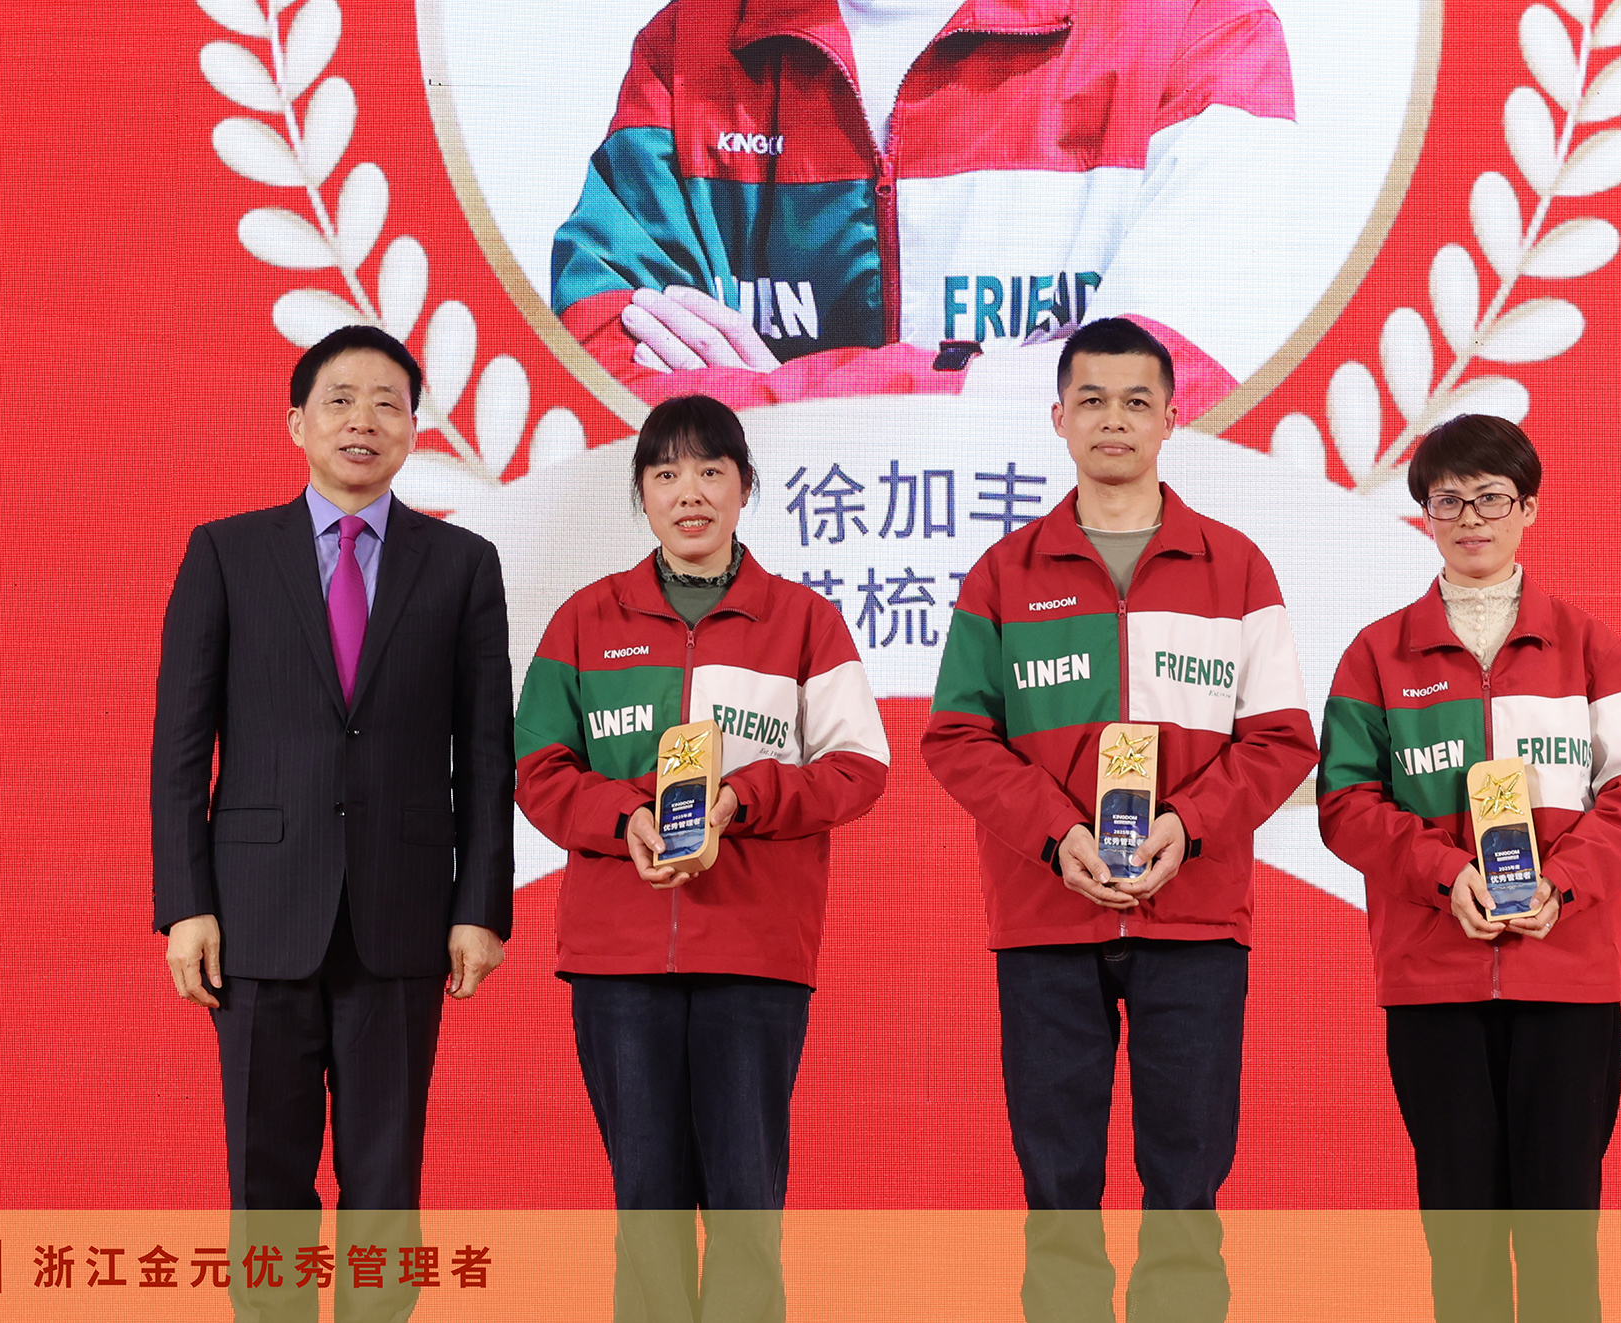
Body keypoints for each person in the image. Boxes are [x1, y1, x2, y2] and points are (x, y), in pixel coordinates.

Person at [921, 317, 1317, 1319]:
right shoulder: (1005, 574)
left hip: (1196, 921)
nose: (1113, 420)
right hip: (1045, 919)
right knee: (1056, 1188)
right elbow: (958, 737)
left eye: (1136, 401)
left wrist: (1189, 825)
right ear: (1057, 418)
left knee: (1186, 1188)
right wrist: (1057, 835)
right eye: (1091, 400)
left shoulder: (1236, 568)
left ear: (1172, 418)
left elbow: (1280, 739)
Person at [151, 325, 513, 1318]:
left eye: (388, 403)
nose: (364, 420)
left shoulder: (462, 565)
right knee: (265, 1179)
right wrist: (186, 904)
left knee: (386, 1186)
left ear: (414, 429)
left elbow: (486, 753)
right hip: (257, 916)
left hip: (403, 915)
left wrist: (480, 905)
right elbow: (181, 744)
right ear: (297, 423)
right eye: (341, 399)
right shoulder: (226, 554)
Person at [513, 393, 890, 1320]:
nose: (691, 492)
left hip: (754, 954)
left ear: (746, 487)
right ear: (640, 492)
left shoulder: (803, 620)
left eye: (712, 471)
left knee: (746, 1202)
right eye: (667, 472)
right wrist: (624, 819)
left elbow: (858, 765)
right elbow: (537, 767)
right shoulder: (585, 621)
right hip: (619, 959)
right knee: (645, 1204)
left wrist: (744, 797)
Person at [1315, 414, 1621, 1322]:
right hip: (1433, 981)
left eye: (1490, 498)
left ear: (1529, 509)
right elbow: (1345, 803)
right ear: (1423, 515)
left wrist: (1563, 883)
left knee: (1560, 1233)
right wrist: (1447, 877)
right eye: (1448, 501)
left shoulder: (1590, 646)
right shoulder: (1376, 654)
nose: (1470, 518)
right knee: (1462, 1233)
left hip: (1568, 979)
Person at [550, 0, 1294, 415]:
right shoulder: (686, 46)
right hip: (773, 627)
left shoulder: (1203, 27)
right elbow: (593, 385)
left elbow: (1183, 399)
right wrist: (1012, 384)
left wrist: (766, 412)